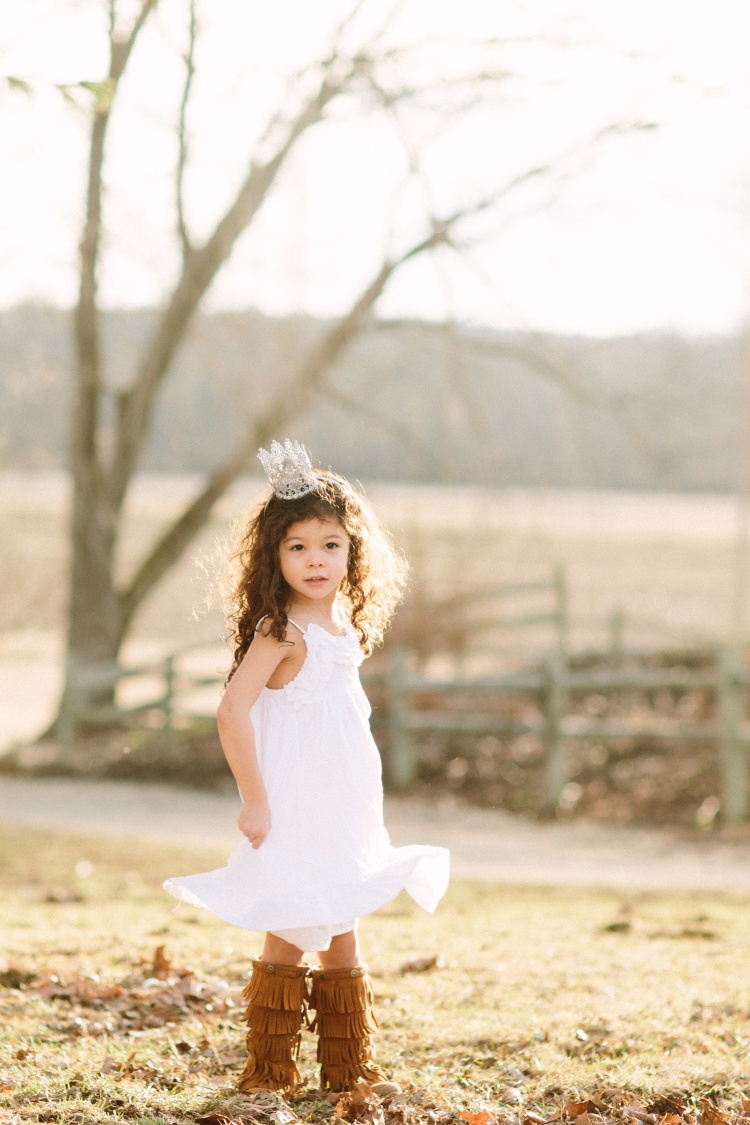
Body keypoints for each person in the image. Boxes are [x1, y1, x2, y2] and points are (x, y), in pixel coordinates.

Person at [164, 440, 450, 1095]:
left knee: (342, 928)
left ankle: (349, 1070)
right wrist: (255, 798)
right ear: (274, 556)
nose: (315, 559)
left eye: (329, 545)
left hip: (344, 804)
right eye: (297, 546)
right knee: (293, 929)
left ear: (354, 551)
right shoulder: (281, 631)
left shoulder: (342, 623)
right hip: (295, 805)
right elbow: (233, 711)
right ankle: (267, 1072)